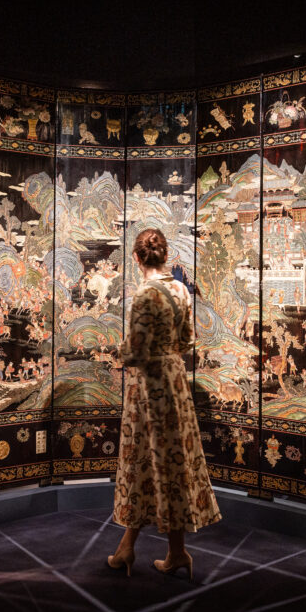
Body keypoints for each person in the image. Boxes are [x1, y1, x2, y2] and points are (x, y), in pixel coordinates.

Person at [106, 228, 221, 579]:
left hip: (149, 388)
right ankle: (174, 552)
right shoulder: (180, 291)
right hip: (176, 383)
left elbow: (136, 351)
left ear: (137, 259)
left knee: (143, 462)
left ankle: (132, 549)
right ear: (164, 255)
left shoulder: (143, 295)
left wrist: (118, 353)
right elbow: (187, 341)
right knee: (172, 463)